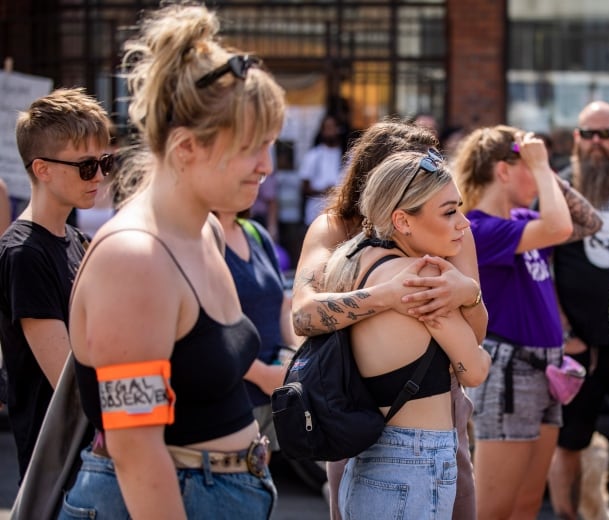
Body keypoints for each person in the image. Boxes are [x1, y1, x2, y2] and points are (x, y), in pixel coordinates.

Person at [61, 4, 286, 518]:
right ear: (186, 148)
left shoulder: (203, 228)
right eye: (252, 147)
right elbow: (136, 451)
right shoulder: (135, 260)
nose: (266, 167)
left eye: (269, 145)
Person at [291, 119, 488, 520]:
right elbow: (303, 314)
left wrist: (468, 292)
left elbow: (477, 330)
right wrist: (385, 296)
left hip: (431, 403)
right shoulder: (334, 230)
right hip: (355, 411)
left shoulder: (446, 229)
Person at [454, 125, 602, 520]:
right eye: (529, 167)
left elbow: (589, 223)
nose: (539, 177)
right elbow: (560, 226)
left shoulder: (521, 217)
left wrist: (542, 171)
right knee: (493, 510)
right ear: (503, 170)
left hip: (544, 368)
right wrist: (541, 165)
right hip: (510, 370)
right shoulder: (477, 227)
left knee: (526, 506)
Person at [0, 87, 112, 481]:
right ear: (42, 169)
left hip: (92, 460)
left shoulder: (77, 241)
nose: (99, 176)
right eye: (86, 166)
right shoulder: (23, 253)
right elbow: (68, 382)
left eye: (104, 162)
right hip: (63, 470)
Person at [548, 100, 609, 519]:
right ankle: (568, 516)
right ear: (576, 139)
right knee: (569, 442)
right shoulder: (558, 190)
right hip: (580, 346)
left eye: (606, 134)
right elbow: (541, 265)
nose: (597, 143)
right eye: (588, 134)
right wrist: (566, 330)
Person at [214, 208, 298, 457]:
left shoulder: (256, 233)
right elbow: (204, 325)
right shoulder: (200, 237)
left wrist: (292, 361)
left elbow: (282, 305)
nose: (259, 170)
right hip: (230, 400)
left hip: (269, 397)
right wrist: (262, 375)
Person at [299, 113, 346, 226]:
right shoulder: (313, 155)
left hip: (340, 215)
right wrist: (323, 191)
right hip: (314, 214)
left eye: (332, 127)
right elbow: (304, 187)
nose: (329, 131)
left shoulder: (348, 156)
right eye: (326, 128)